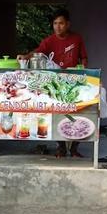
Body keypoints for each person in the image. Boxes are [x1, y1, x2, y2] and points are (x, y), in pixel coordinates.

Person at [17, 9, 88, 158]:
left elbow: (84, 58)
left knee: (80, 111)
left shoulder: (77, 38)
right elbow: (38, 52)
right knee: (56, 113)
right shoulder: (49, 41)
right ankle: (61, 147)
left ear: (68, 24)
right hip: (55, 83)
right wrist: (25, 56)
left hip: (73, 81)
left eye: (61, 23)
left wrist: (84, 73)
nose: (58, 26)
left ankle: (74, 149)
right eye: (55, 23)